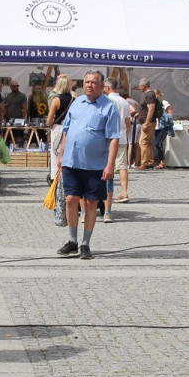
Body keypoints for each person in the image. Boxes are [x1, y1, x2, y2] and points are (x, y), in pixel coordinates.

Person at [54, 70, 120, 260]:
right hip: (71, 162)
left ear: (101, 86)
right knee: (70, 200)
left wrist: (110, 166)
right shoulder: (76, 103)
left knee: (91, 203)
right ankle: (72, 241)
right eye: (87, 82)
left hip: (95, 165)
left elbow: (114, 139)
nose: (89, 85)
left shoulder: (109, 107)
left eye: (93, 82)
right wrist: (61, 154)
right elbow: (66, 131)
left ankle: (85, 244)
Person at [103, 78, 133, 213]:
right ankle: (124, 191)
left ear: (108, 88)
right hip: (121, 136)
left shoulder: (105, 101)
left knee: (106, 164)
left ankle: (105, 193)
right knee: (122, 165)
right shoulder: (124, 102)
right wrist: (125, 133)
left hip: (108, 137)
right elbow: (128, 121)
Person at [46, 75, 74, 180]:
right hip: (70, 128)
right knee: (68, 153)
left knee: (55, 153)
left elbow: (49, 119)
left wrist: (49, 124)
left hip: (58, 128)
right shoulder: (74, 100)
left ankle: (55, 177)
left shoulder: (56, 100)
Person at [137, 78, 159, 169]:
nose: (139, 88)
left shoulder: (149, 95)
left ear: (143, 86)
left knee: (143, 142)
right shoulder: (149, 94)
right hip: (148, 121)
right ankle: (149, 161)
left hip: (148, 122)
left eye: (140, 86)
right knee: (148, 142)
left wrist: (146, 122)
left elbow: (151, 109)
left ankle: (145, 162)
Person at [153, 90, 174, 169]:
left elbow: (170, 112)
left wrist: (166, 119)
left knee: (157, 143)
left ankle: (162, 161)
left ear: (159, 94)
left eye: (155, 94)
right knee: (159, 144)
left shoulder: (164, 102)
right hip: (156, 126)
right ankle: (161, 162)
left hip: (163, 126)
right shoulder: (154, 103)